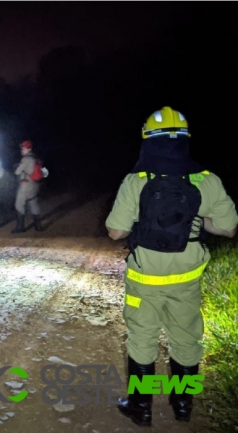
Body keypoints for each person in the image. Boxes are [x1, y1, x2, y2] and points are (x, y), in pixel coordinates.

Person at [105, 106, 238, 427]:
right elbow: (229, 228)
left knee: (142, 340)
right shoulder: (206, 180)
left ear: (147, 140)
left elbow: (115, 232)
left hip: (144, 280)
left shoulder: (136, 181)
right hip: (187, 280)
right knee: (186, 341)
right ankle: (182, 404)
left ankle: (141, 407)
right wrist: (195, 218)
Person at [11, 140, 43, 233]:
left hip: (26, 185)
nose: (22, 150)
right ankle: (38, 226)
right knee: (33, 204)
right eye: (22, 148)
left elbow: (17, 172)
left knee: (19, 204)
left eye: (24, 148)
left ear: (29, 148)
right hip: (35, 184)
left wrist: (17, 167)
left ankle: (20, 227)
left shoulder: (25, 159)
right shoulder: (35, 158)